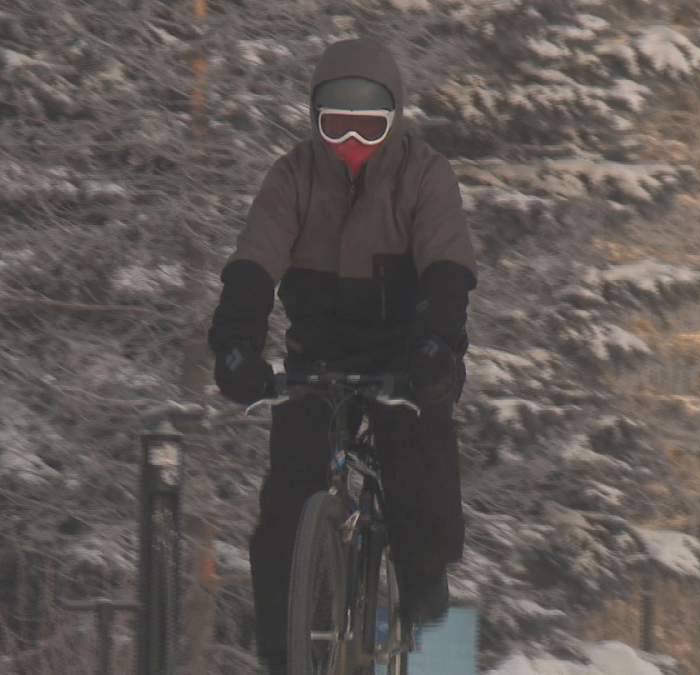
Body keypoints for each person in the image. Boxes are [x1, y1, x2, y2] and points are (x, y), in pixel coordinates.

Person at [207, 37, 477, 674]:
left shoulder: (423, 175)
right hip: (318, 355)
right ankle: (289, 654)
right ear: (314, 121)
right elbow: (255, 261)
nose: (351, 143)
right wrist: (236, 343)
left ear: (395, 121)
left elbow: (446, 266)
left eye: (368, 127)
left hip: (406, 350)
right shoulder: (293, 177)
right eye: (336, 126)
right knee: (285, 510)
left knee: (418, 468)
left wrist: (437, 345)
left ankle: (426, 591)